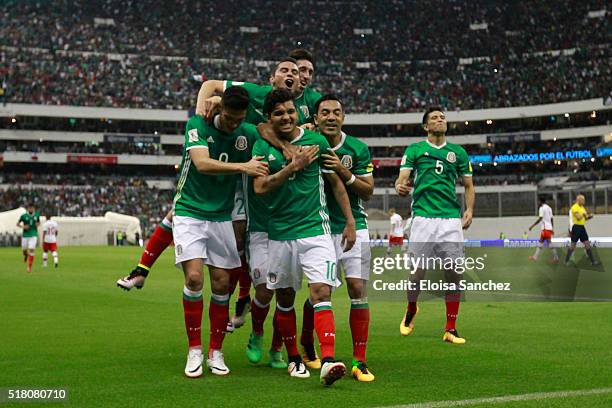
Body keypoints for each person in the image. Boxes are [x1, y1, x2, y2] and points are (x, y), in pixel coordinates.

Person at [251, 89, 356, 384]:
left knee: (322, 292)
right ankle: (294, 358)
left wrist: (349, 221)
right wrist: (292, 167)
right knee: (284, 298)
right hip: (280, 233)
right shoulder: (261, 146)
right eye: (278, 113)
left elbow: (335, 184)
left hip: (316, 230)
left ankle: (328, 360)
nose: (285, 117)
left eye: (290, 112)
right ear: (269, 118)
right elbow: (260, 187)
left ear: (297, 112)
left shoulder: (317, 141)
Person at [172, 86, 268, 378]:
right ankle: (194, 350)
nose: (233, 124)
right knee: (194, 277)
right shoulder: (196, 125)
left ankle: (216, 350)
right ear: (219, 109)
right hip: (189, 211)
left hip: (221, 217)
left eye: (239, 119)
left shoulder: (247, 131)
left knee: (222, 283)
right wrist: (245, 166)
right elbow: (201, 164)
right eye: (229, 118)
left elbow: (268, 131)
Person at [395, 106, 475, 344]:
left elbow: (469, 185)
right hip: (423, 217)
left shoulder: (458, 152)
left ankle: (450, 328)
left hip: (450, 218)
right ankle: (411, 308)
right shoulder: (415, 149)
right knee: (417, 272)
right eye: (434, 118)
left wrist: (469, 210)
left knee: (453, 272)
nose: (440, 120)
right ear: (426, 126)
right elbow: (402, 178)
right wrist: (400, 186)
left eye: (442, 117)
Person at [309, 94, 375, 382]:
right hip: (317, 228)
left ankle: (359, 361)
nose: (331, 117)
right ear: (316, 118)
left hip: (354, 226)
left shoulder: (357, 148)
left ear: (343, 118)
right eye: (325, 112)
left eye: (337, 112)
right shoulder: (307, 144)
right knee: (320, 290)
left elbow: (368, 190)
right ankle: (311, 349)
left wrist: (343, 170)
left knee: (357, 288)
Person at [565, 194, 598, 266]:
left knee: (587, 244)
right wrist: (584, 214)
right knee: (573, 245)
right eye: (583, 200)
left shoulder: (582, 207)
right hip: (576, 227)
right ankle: (567, 260)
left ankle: (593, 261)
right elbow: (578, 217)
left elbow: (585, 218)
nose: (584, 201)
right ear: (579, 200)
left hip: (582, 227)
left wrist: (589, 217)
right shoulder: (574, 207)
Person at [528, 197, 559, 262]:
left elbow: (540, 218)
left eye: (538, 201)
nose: (538, 203)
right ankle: (535, 257)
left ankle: (556, 258)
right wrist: (552, 228)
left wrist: (532, 226)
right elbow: (551, 219)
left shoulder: (542, 208)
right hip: (549, 228)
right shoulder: (549, 208)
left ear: (540, 201)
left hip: (545, 228)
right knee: (541, 241)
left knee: (548, 242)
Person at [17, 204, 40, 273]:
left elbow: (38, 222)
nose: (31, 209)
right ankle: (26, 255)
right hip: (25, 235)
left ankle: (29, 267)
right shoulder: (23, 216)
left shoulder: (37, 215)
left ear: (33, 208)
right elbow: (17, 224)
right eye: (30, 208)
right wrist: (23, 227)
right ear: (27, 209)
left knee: (31, 249)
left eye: (32, 208)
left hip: (33, 235)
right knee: (24, 250)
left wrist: (37, 224)